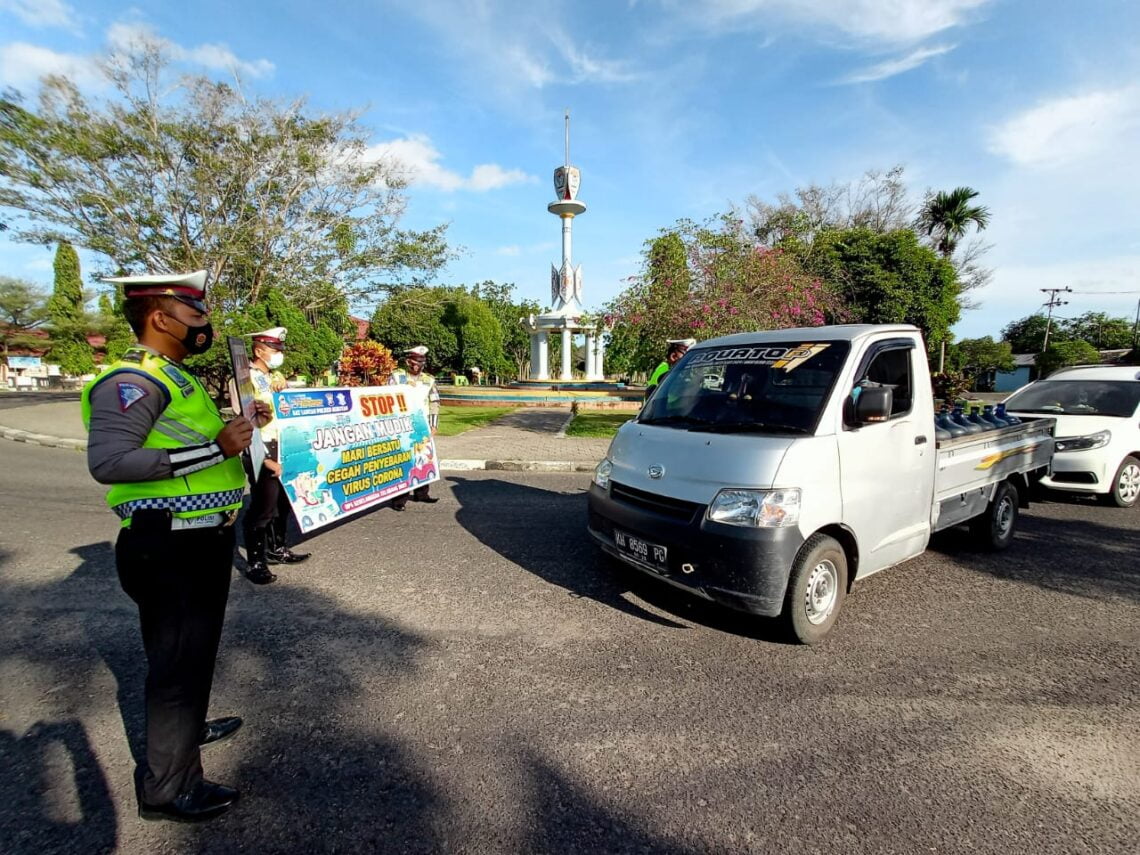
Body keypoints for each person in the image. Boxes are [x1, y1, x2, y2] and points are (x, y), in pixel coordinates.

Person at [82, 270, 270, 823]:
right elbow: (109, 462)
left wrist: (244, 427)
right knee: (175, 666)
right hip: (168, 545)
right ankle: (168, 786)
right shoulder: (131, 380)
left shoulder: (175, 377)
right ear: (160, 318)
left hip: (200, 540)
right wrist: (216, 449)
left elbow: (202, 445)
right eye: (194, 313)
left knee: (191, 657)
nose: (205, 322)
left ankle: (186, 732)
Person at [239, 327, 310, 585]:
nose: (279, 354)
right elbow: (245, 421)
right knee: (263, 506)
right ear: (259, 350)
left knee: (284, 503)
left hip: (283, 444)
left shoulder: (272, 376)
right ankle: (256, 562)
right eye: (275, 349)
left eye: (281, 349)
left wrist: (283, 385)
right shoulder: (243, 378)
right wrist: (264, 458)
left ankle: (278, 548)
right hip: (261, 448)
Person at [388, 345, 440, 509]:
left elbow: (434, 403)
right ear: (408, 361)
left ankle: (422, 494)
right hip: (401, 426)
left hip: (422, 425)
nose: (418, 365)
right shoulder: (396, 377)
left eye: (422, 362)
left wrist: (433, 425)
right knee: (403, 462)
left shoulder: (429, 380)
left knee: (424, 459)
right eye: (416, 361)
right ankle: (399, 500)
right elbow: (386, 400)